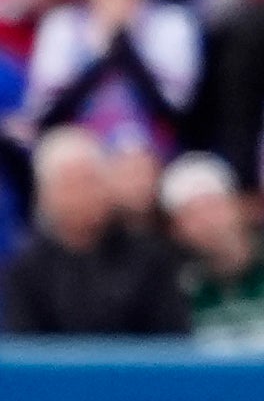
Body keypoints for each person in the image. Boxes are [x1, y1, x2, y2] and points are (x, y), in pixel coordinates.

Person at [1, 127, 188, 336]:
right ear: (44, 196)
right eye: (69, 186)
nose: (81, 197)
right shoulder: (26, 268)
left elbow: (171, 339)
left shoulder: (150, 257)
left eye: (90, 181)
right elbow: (25, 347)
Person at [160, 150, 264, 350]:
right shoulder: (177, 290)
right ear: (177, 230)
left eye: (213, 206)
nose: (208, 221)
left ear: (237, 207)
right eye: (193, 214)